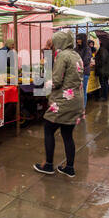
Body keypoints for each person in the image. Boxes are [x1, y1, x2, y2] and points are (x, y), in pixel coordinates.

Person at [33, 31, 84, 178]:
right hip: (76, 100)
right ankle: (69, 168)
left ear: (60, 42)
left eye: (55, 43)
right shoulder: (76, 55)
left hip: (64, 101)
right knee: (67, 134)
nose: (53, 46)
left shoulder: (62, 56)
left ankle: (48, 165)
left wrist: (44, 84)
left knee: (49, 129)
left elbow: (56, 81)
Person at [75, 33, 92, 109]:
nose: (78, 40)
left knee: (83, 90)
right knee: (77, 91)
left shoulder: (87, 49)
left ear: (83, 39)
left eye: (79, 39)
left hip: (84, 72)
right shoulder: (76, 48)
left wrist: (76, 63)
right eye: (77, 39)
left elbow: (86, 61)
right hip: (76, 73)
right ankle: (77, 107)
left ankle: (83, 108)